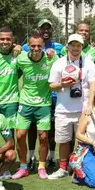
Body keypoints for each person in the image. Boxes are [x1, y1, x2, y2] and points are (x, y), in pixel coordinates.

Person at [48, 34, 95, 179]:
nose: (75, 48)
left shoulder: (89, 63)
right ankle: (63, 168)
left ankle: (78, 165)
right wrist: (63, 84)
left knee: (83, 141)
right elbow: (51, 85)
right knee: (63, 140)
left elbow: (93, 85)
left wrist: (90, 105)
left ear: (82, 47)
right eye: (73, 45)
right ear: (67, 46)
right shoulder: (59, 63)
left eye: (78, 45)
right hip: (63, 109)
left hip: (83, 110)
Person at [13, 34, 55, 179]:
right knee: (20, 135)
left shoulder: (51, 58)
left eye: (39, 46)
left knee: (43, 137)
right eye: (33, 46)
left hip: (43, 104)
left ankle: (41, 166)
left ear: (43, 46)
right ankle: (23, 166)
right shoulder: (21, 59)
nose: (36, 48)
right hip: (25, 103)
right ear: (28, 46)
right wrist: (15, 46)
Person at [22, 19, 63, 168]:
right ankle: (31, 157)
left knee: (50, 128)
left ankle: (52, 156)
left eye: (48, 28)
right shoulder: (27, 47)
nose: (45, 30)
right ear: (38, 30)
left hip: (53, 95)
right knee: (32, 128)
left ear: (52, 30)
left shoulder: (58, 47)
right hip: (34, 96)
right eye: (42, 28)